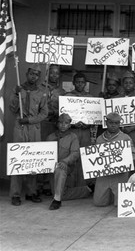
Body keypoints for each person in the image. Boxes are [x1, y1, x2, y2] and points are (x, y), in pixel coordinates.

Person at [9, 63, 48, 206]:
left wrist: (30, 120)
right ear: (27, 74)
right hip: (20, 128)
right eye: (32, 73)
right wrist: (16, 94)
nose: (34, 76)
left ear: (39, 77)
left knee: (33, 161)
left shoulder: (41, 92)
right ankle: (15, 194)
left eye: (37, 74)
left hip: (34, 128)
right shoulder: (18, 88)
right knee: (17, 160)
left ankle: (31, 192)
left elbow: (44, 113)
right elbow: (12, 108)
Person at [47, 113, 92, 210]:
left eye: (66, 123)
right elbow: (44, 154)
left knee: (60, 169)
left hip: (66, 166)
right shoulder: (50, 137)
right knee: (58, 192)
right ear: (57, 124)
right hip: (51, 167)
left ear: (69, 125)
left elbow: (75, 153)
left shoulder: (73, 137)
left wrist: (65, 161)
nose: (63, 125)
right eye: (61, 122)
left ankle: (57, 201)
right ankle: (85, 190)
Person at [93, 112, 135, 207]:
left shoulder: (125, 138)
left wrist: (122, 163)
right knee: (99, 203)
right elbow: (95, 157)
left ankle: (114, 195)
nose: (113, 125)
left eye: (116, 123)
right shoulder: (100, 139)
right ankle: (109, 195)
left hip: (119, 174)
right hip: (104, 174)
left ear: (119, 124)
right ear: (106, 123)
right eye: (111, 123)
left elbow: (133, 155)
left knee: (121, 204)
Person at [39, 64, 66, 196]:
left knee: (53, 155)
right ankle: (38, 185)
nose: (54, 75)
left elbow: (64, 109)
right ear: (47, 74)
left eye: (57, 73)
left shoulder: (62, 92)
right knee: (41, 154)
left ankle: (48, 185)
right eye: (52, 73)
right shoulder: (39, 88)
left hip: (55, 125)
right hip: (41, 125)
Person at [119, 70, 135, 156]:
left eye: (130, 83)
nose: (128, 85)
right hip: (119, 132)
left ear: (134, 85)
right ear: (122, 84)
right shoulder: (117, 98)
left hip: (134, 132)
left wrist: (131, 128)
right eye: (126, 83)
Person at [65, 72, 92, 147]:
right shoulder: (67, 97)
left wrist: (89, 124)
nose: (80, 84)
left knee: (84, 153)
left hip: (85, 131)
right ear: (73, 83)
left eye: (82, 82)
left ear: (85, 83)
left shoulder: (90, 98)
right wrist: (72, 124)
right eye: (77, 82)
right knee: (71, 150)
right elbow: (63, 116)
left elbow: (94, 116)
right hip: (71, 130)